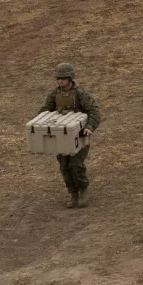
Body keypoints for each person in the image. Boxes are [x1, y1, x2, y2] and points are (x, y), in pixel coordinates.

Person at [39, 63, 102, 208]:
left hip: (79, 136)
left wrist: (90, 127)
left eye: (63, 78)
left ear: (70, 78)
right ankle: (73, 193)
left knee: (76, 165)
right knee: (64, 166)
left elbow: (94, 111)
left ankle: (83, 190)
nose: (60, 81)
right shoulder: (55, 94)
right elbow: (45, 110)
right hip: (61, 136)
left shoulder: (80, 94)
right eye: (58, 78)